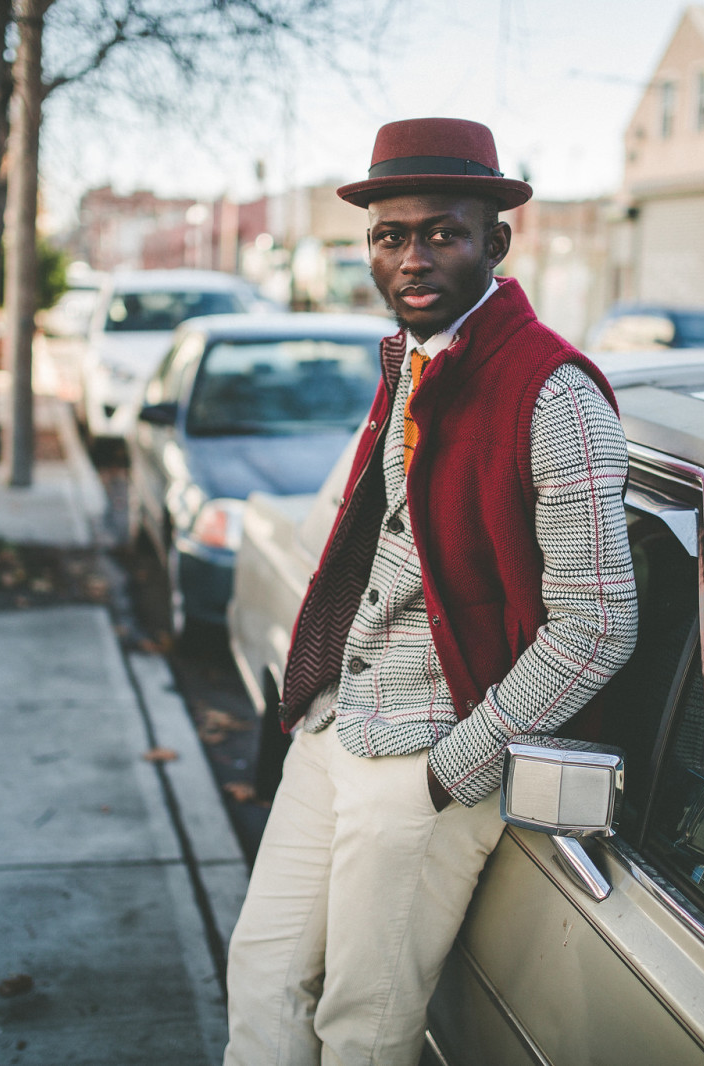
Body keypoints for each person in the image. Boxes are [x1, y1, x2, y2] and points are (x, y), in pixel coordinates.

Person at [223, 117, 637, 1066]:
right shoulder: (409, 357)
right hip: (338, 725)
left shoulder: (553, 392)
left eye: (442, 232)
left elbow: (599, 625)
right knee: (262, 973)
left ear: (496, 239)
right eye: (389, 235)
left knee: (362, 1033)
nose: (412, 257)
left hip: (430, 761)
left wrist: (454, 769)